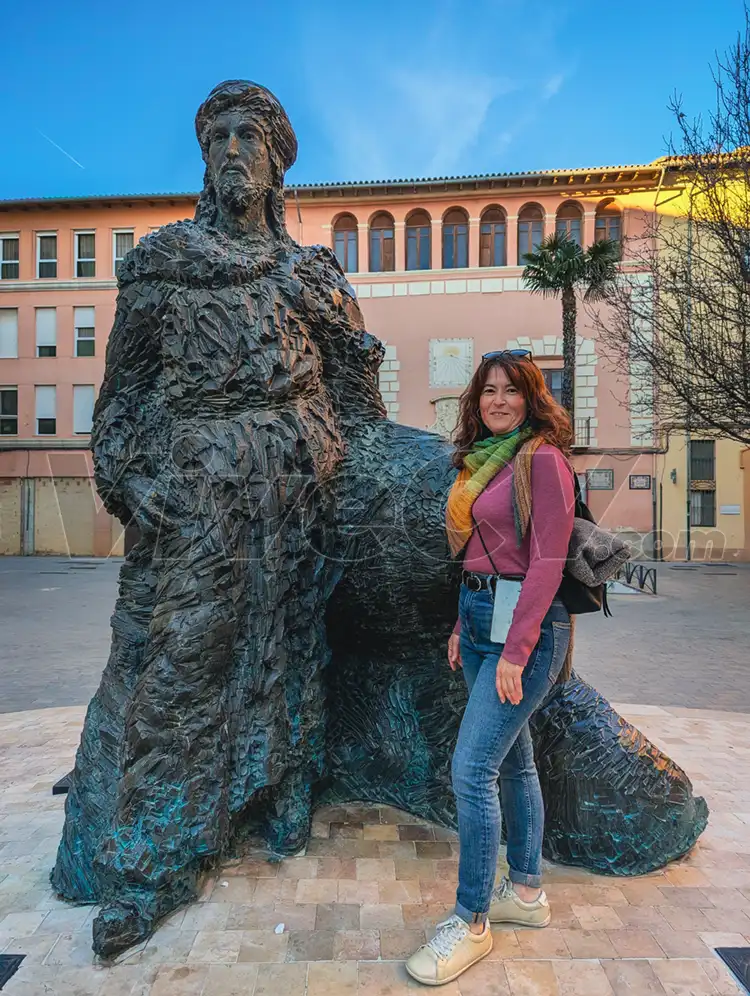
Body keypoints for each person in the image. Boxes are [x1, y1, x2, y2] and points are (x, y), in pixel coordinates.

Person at [406, 349, 575, 987]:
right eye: (488, 392)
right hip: (479, 618)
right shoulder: (481, 464)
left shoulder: (543, 461)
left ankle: (471, 920)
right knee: (514, 762)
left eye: (511, 391)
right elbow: (480, 554)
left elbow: (546, 564)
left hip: (524, 630)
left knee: (471, 770)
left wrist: (516, 649)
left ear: (532, 399)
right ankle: (525, 894)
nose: (498, 401)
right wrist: (461, 625)